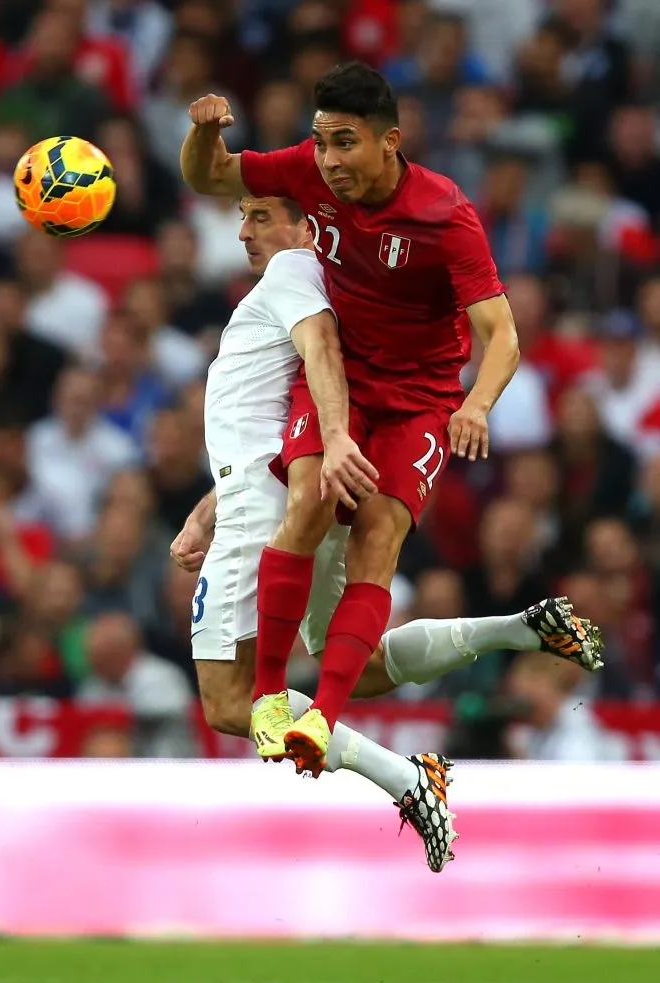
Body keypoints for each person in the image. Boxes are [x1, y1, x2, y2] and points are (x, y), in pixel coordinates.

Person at [180, 61, 603, 784]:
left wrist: (474, 405)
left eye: (344, 144)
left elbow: (501, 334)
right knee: (307, 500)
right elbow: (209, 176)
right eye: (319, 144)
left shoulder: (445, 214)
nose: (328, 162)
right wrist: (200, 131)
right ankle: (275, 701)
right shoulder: (309, 175)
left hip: (419, 401)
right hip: (344, 387)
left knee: (377, 538)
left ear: (389, 141)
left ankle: (321, 716)